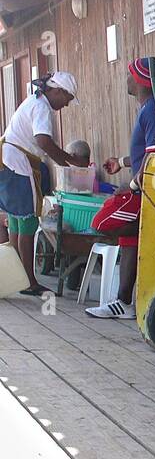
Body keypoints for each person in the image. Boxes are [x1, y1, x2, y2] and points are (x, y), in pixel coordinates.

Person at [86, 57, 155, 319]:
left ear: (139, 80)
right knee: (130, 234)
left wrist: (129, 185)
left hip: (153, 194)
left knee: (102, 222)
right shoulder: (150, 108)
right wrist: (123, 162)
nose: (125, 79)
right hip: (145, 190)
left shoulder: (154, 110)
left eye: (129, 75)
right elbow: (144, 153)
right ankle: (123, 301)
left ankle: (127, 298)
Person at [0, 71, 89, 295]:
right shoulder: (42, 108)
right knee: (28, 221)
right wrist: (68, 162)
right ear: (57, 91)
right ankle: (29, 281)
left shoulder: (34, 100)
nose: (67, 104)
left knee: (16, 220)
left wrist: (68, 160)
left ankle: (17, 276)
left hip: (10, 160)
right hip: (19, 163)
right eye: (67, 98)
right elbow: (43, 142)